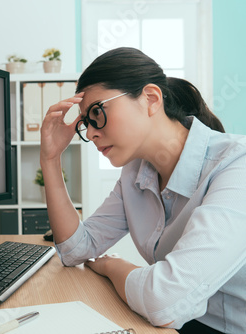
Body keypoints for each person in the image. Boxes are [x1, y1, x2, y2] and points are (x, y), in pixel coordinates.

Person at [40, 47, 246, 334]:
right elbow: (76, 249)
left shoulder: (237, 166)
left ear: (150, 99)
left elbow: (164, 300)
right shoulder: (135, 173)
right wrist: (50, 159)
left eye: (97, 113)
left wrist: (114, 267)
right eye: (85, 123)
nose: (90, 132)